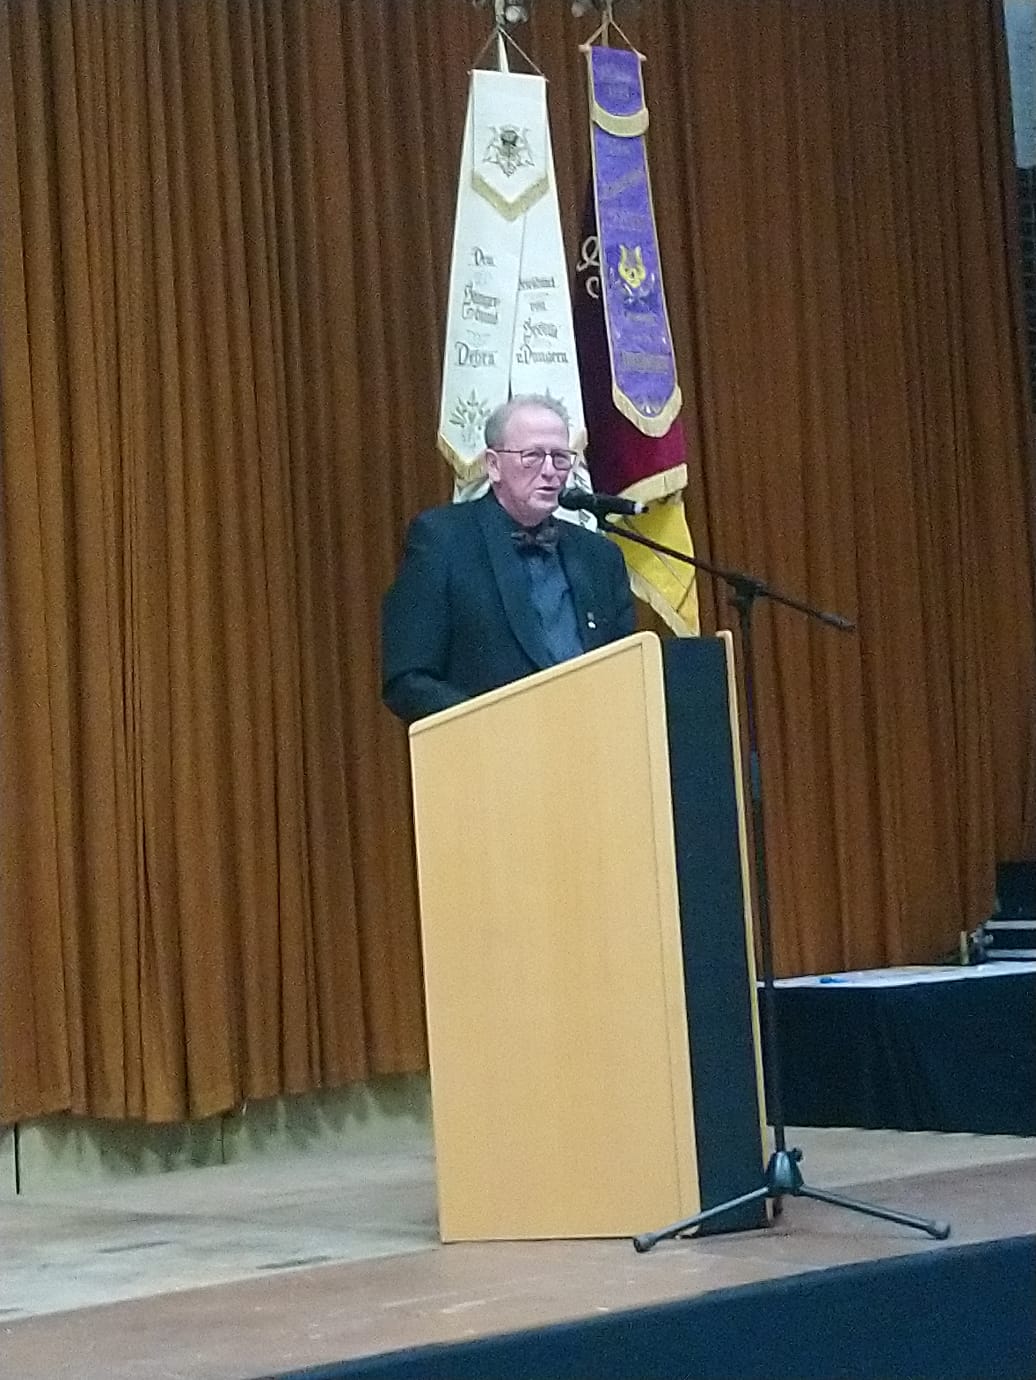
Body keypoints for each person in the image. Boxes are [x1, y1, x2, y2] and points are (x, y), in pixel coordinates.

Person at [382, 395, 636, 724]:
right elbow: (408, 679)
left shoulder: (598, 555)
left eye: (560, 458)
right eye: (532, 456)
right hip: (489, 746)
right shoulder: (443, 540)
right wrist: (494, 726)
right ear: (493, 465)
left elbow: (626, 674)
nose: (550, 471)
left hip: (595, 741)